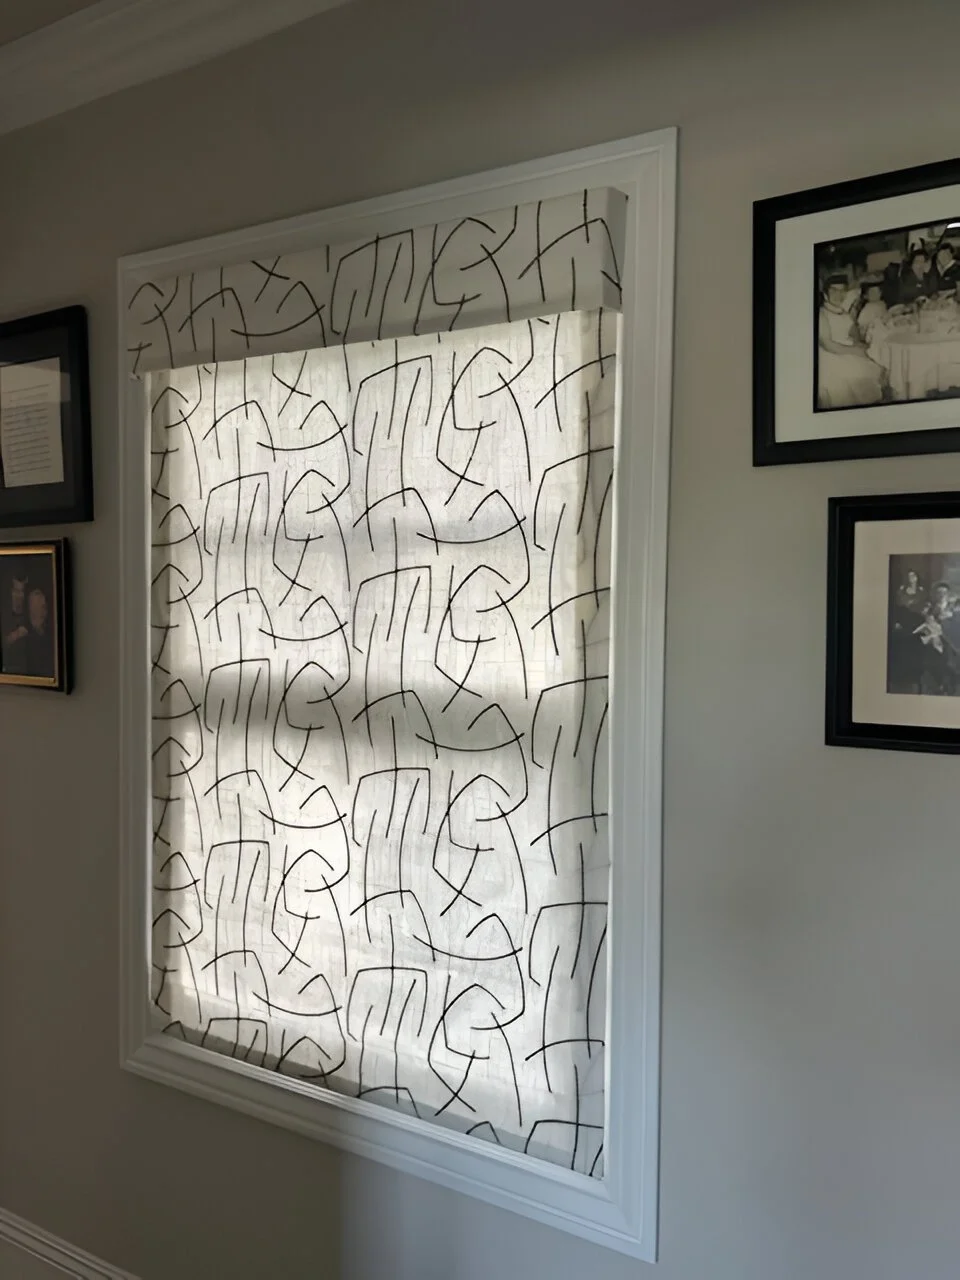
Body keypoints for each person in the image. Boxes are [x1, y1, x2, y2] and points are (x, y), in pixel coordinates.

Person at [817, 275, 886, 408]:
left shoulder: (844, 312)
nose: (838, 294)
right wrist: (856, 351)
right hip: (831, 355)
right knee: (856, 374)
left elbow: (853, 332)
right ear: (825, 295)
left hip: (848, 348)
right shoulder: (821, 314)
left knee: (877, 361)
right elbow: (828, 345)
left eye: (842, 290)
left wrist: (860, 343)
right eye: (834, 291)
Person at [3, 586, 54, 678]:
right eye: (36, 607)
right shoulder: (21, 639)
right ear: (30, 609)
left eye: (43, 607)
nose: (42, 612)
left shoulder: (51, 637)